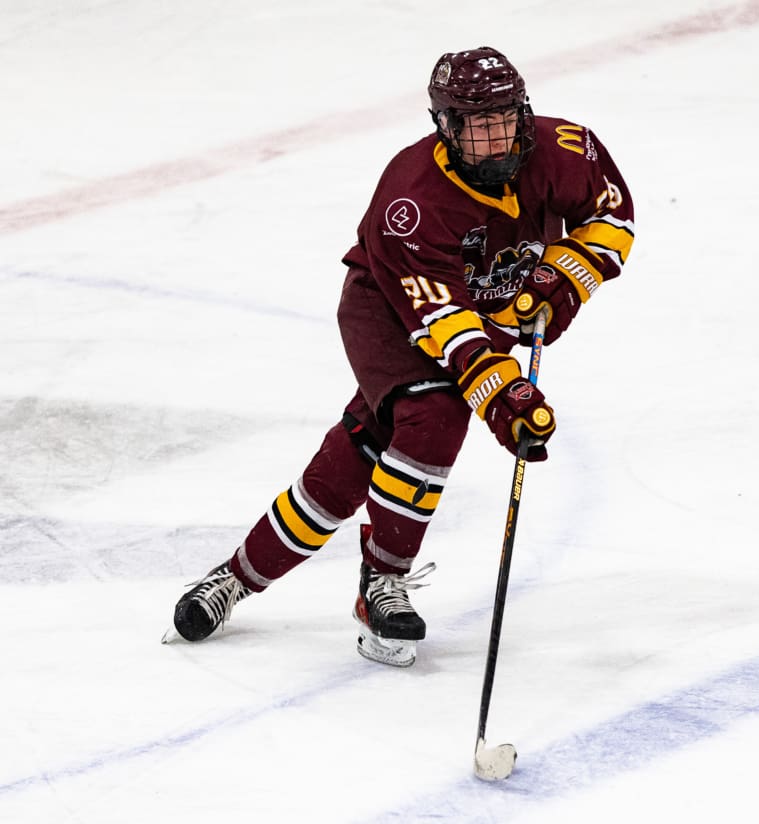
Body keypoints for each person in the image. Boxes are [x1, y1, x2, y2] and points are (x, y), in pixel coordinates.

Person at [166, 46, 635, 667]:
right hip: (388, 311)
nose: (496, 140)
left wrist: (564, 276)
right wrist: (504, 400)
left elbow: (612, 217)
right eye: (477, 125)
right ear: (445, 126)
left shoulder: (567, 149)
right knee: (436, 415)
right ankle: (381, 584)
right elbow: (448, 328)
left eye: (504, 119)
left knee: (361, 452)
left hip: (478, 310)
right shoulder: (410, 201)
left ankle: (236, 578)